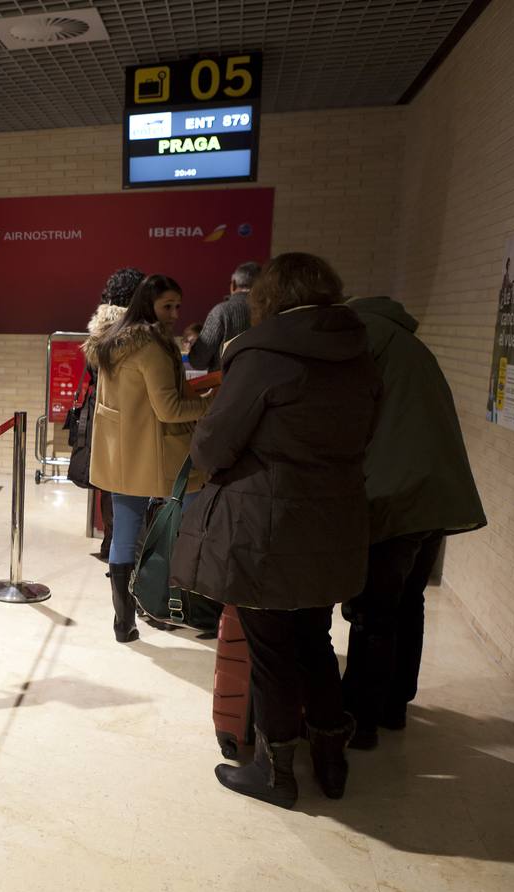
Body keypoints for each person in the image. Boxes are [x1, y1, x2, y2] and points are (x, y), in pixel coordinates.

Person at [171, 253, 380, 809]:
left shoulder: (262, 354)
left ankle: (275, 770)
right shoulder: (361, 352)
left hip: (266, 525)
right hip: (334, 518)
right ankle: (331, 760)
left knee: (269, 649)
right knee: (314, 637)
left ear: (267, 297)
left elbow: (214, 445)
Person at [341, 296, 487, 750]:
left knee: (374, 611)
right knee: (408, 602)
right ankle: (394, 706)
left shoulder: (362, 340)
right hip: (437, 492)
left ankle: (360, 718)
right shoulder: (409, 344)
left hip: (397, 493)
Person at [88, 274, 210, 643]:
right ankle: (170, 606)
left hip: (122, 454)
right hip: (161, 453)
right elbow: (170, 409)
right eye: (167, 306)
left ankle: (123, 623)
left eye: (177, 305)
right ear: (148, 305)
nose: (175, 313)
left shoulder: (112, 341)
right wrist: (210, 405)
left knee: (124, 535)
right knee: (184, 531)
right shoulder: (153, 347)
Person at [83, 267, 145, 561]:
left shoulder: (99, 326)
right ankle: (126, 546)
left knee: (109, 484)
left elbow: (93, 371)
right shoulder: (137, 331)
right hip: (133, 414)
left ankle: (111, 541)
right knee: (132, 485)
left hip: (103, 412)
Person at [189, 261, 260, 372]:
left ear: (234, 284)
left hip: (225, 385)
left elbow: (198, 361)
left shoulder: (221, 311)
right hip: (261, 385)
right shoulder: (271, 312)